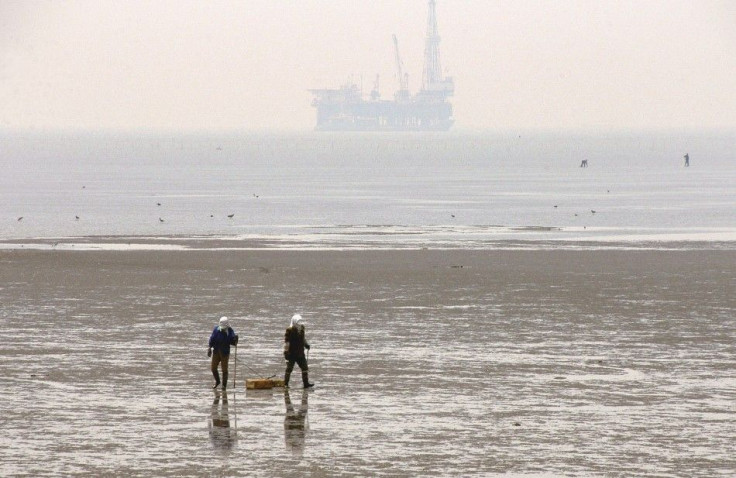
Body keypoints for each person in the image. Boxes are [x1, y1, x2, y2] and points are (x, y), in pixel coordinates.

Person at [283, 314, 314, 388]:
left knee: (305, 368)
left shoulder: (302, 329)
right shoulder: (289, 330)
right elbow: (287, 342)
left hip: (300, 353)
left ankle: (306, 384)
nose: (299, 322)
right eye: (298, 321)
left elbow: (303, 339)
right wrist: (286, 352)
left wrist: (306, 345)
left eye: (300, 321)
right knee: (289, 369)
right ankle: (286, 384)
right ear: (294, 321)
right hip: (292, 353)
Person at [208, 316, 238, 390]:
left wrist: (235, 340)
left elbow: (233, 342)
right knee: (213, 368)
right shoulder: (216, 330)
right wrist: (209, 348)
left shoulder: (230, 331)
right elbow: (212, 339)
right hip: (216, 351)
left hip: (225, 352)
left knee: (224, 370)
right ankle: (217, 381)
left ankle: (224, 386)